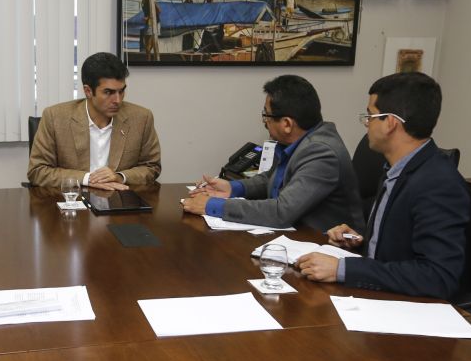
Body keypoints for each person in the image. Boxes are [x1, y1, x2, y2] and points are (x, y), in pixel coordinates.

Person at [295, 72, 470, 301]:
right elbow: (400, 252)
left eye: (370, 116)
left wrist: (342, 269)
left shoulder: (439, 184)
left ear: (390, 123)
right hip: (379, 298)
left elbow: (438, 276)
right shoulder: (395, 169)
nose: (366, 124)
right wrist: (359, 243)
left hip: (411, 315)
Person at [182, 75, 363, 233]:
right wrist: (233, 188)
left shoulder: (322, 153)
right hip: (299, 237)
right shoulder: (299, 142)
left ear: (286, 124)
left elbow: (281, 211)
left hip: (324, 246)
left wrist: (211, 205)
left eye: (266, 116)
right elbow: (271, 180)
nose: (264, 122)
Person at [27, 52, 161, 189]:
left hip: (120, 199)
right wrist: (87, 179)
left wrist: (120, 176)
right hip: (74, 199)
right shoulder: (55, 117)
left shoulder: (141, 118)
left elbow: (152, 167)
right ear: (88, 91)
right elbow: (37, 171)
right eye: (108, 92)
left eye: (121, 91)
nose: (118, 100)